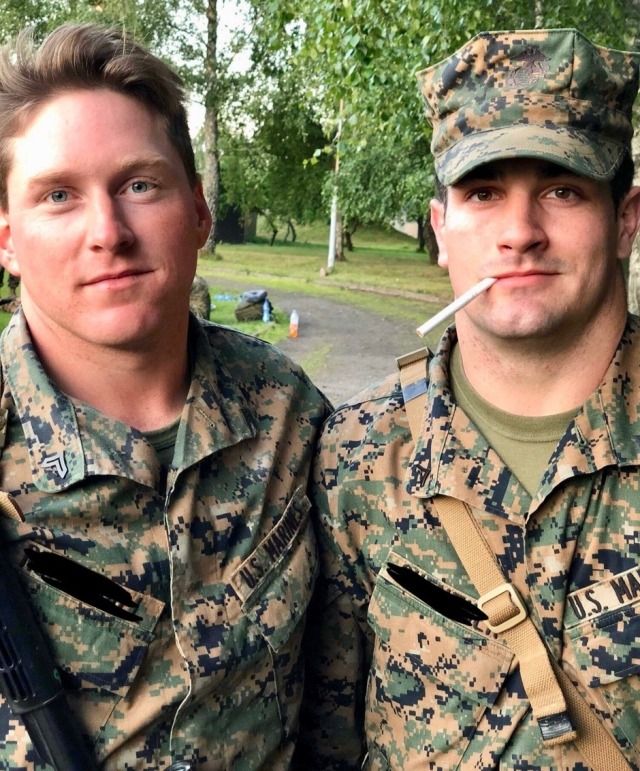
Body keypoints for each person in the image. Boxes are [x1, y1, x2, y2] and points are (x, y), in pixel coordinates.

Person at [298, 29, 640, 770]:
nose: (520, 233)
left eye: (562, 189)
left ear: (626, 220)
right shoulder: (358, 454)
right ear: (441, 231)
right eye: (484, 193)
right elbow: (330, 738)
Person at [0, 23, 329, 770]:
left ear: (200, 211)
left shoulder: (288, 413)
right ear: (8, 239)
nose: (108, 232)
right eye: (58, 195)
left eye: (139, 185)